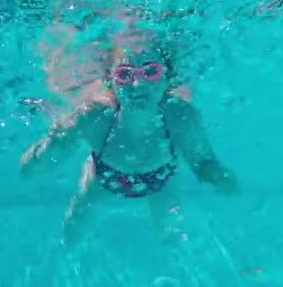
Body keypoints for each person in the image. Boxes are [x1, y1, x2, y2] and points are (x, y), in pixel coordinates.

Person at [19, 26, 237, 248]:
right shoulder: (95, 118)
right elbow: (42, 157)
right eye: (124, 75)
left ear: (167, 78)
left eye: (150, 72)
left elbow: (202, 161)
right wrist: (43, 155)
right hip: (103, 180)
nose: (137, 84)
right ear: (111, 81)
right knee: (76, 228)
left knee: (170, 232)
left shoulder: (180, 116)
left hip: (161, 182)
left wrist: (218, 176)